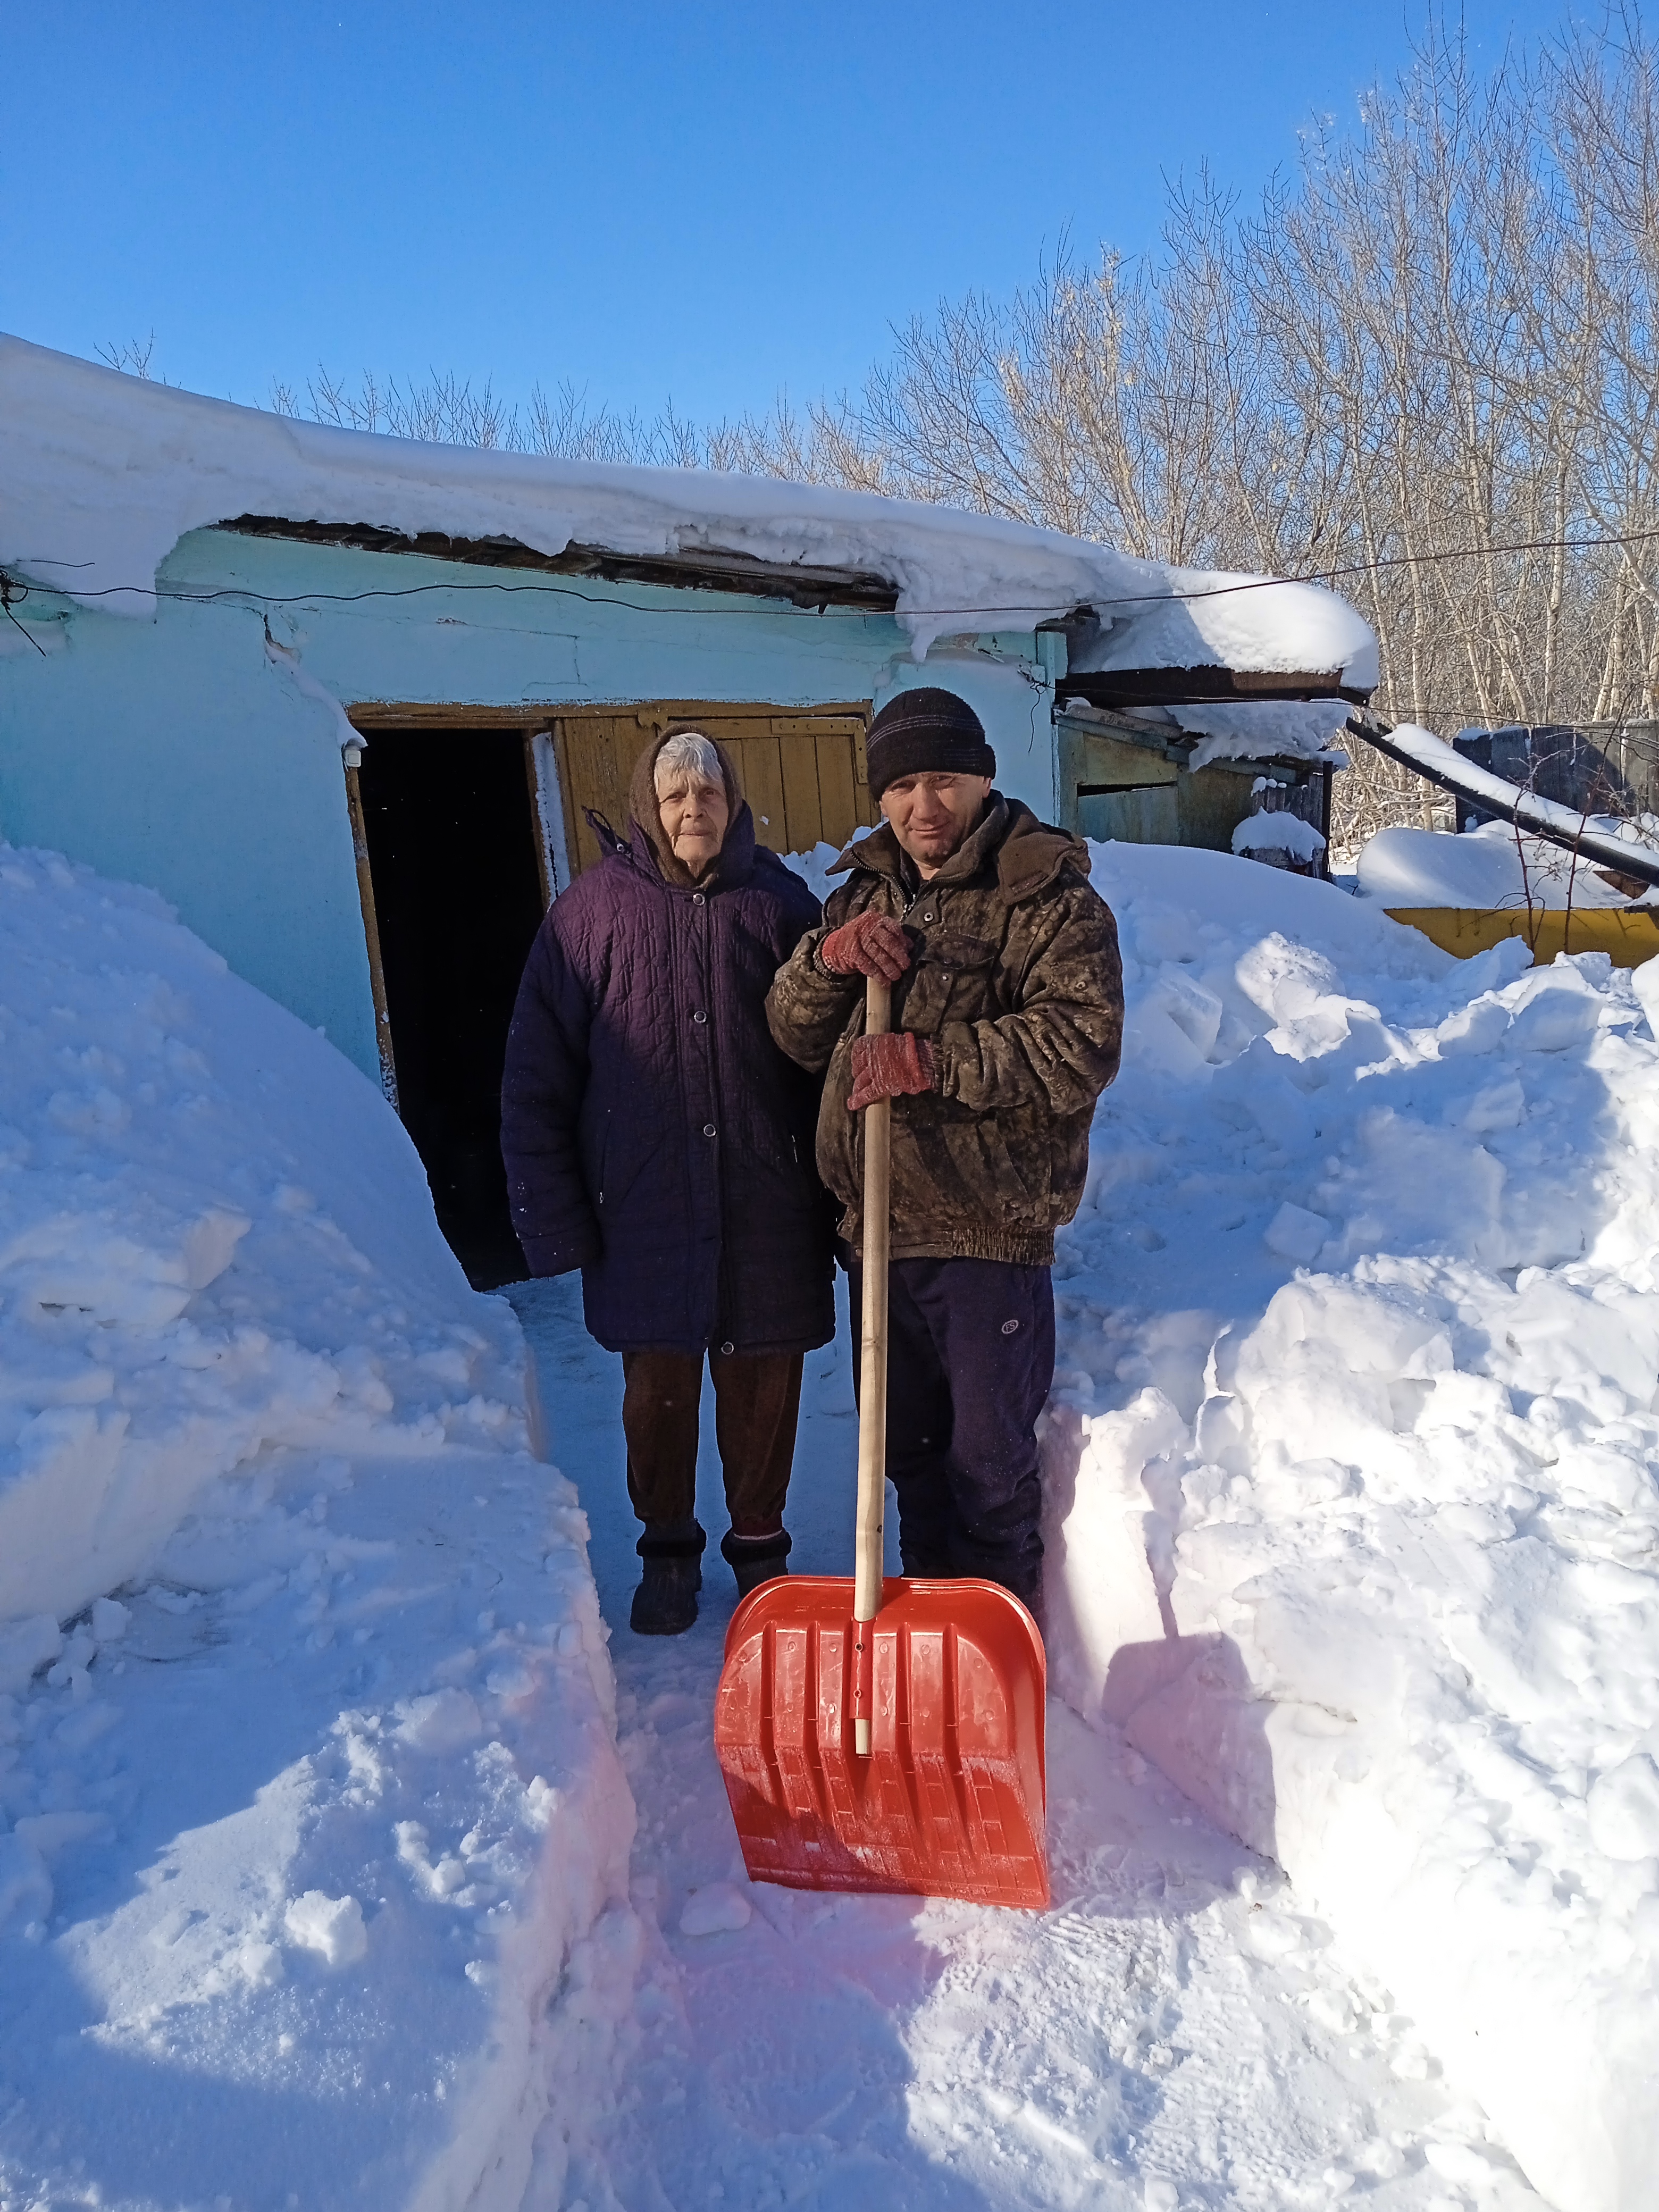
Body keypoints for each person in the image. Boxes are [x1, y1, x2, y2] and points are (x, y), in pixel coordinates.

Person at [765, 687, 1124, 1610]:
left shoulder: (1044, 896)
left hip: (984, 1234)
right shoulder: (864, 893)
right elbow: (796, 1037)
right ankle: (930, 1654)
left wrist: (931, 1059)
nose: (926, 805)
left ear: (983, 779)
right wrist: (827, 964)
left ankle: (1001, 1654)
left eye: (946, 780)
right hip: (879, 1232)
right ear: (881, 797)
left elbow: (1080, 1044)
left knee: (986, 1472)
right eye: (905, 785)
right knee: (910, 1460)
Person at [501, 730, 833, 1635]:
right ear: (653, 809)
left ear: (734, 805)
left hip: (768, 1200)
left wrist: (839, 1201)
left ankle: (761, 1548)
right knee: (659, 1390)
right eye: (677, 796)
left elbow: (829, 1070)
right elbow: (538, 1079)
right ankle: (669, 1550)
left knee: (765, 1383)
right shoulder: (590, 917)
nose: (694, 811)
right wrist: (557, 1224)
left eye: (709, 795)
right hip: (642, 1205)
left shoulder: (783, 908)